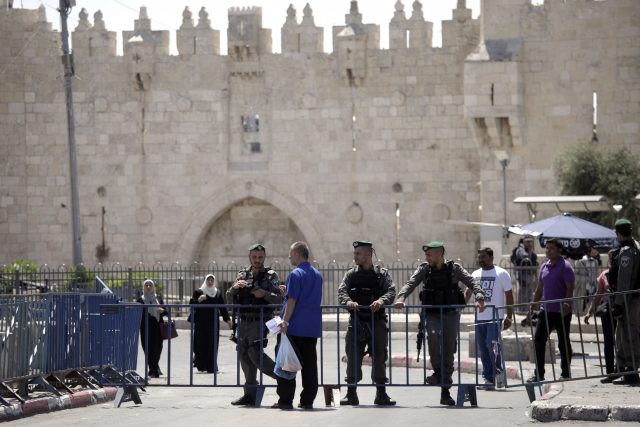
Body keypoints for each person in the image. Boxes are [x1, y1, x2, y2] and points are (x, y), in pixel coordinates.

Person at [394, 241, 485, 406]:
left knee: (449, 349)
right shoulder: (424, 269)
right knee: (434, 340)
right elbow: (410, 284)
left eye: (429, 254)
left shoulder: (454, 269)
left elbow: (473, 283)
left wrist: (479, 297)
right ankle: (437, 373)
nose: (426, 257)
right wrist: (401, 298)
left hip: (450, 315)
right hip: (432, 315)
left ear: (440, 253)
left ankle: (445, 390)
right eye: (426, 254)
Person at [338, 240, 397, 406]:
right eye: (355, 253)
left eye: (358, 253)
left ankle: (381, 394)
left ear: (369, 254)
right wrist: (348, 302)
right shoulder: (351, 275)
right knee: (352, 357)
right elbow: (341, 292)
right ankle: (351, 394)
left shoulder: (381, 274)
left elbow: (391, 291)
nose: (354, 256)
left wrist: (381, 300)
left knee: (379, 357)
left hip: (376, 322)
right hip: (356, 322)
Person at [227, 244, 282, 406]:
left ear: (264, 257)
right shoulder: (243, 274)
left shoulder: (271, 276)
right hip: (243, 321)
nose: (257, 260)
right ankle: (250, 394)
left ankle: (282, 378)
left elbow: (280, 299)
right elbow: (229, 298)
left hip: (261, 320)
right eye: (254, 257)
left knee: (255, 354)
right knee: (244, 355)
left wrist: (264, 294)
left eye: (260, 257)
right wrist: (233, 288)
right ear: (249, 257)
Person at [273, 242, 323, 410]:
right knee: (310, 365)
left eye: (291, 253)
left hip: (294, 327)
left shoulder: (295, 274)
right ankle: (307, 400)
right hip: (312, 328)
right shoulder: (317, 274)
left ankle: (285, 400)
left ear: (298, 254)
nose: (289, 257)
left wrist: (285, 321)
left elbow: (292, 300)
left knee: (287, 363)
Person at [528, 238, 576, 382]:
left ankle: (566, 372)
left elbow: (570, 288)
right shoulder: (544, 267)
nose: (548, 251)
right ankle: (539, 373)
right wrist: (534, 304)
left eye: (551, 248)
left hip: (561, 311)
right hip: (546, 310)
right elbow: (539, 288)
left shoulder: (566, 266)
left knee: (563, 342)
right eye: (547, 248)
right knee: (539, 340)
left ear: (559, 250)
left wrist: (567, 304)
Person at [471, 247, 514, 391]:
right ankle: (488, 378)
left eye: (483, 257)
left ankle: (498, 374)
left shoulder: (502, 273)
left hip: (495, 317)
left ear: (491, 257)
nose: (480, 260)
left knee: (492, 346)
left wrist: (509, 316)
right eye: (479, 257)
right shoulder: (475, 274)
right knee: (482, 348)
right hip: (479, 317)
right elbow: (467, 292)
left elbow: (509, 295)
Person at [609, 218, 640, 385]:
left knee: (630, 335)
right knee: (622, 335)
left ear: (617, 233)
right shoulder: (635, 247)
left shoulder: (627, 252)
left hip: (629, 299)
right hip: (630, 298)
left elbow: (624, 281)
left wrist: (618, 304)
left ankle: (631, 372)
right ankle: (622, 369)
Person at [583, 251, 617, 382]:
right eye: (611, 259)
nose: (612, 261)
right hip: (608, 311)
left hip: (622, 310)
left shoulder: (624, 273)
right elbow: (598, 295)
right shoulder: (604, 275)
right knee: (609, 342)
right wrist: (590, 312)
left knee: (623, 341)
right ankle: (610, 372)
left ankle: (625, 369)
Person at [190, 274, 232, 373]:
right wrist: (199, 300)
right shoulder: (199, 292)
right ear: (205, 280)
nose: (210, 282)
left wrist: (228, 320)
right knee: (201, 343)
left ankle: (211, 366)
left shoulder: (217, 293)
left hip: (213, 322)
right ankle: (201, 365)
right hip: (201, 322)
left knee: (212, 343)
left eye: (212, 280)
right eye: (208, 280)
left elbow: (222, 307)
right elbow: (192, 305)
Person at [137, 279, 166, 378]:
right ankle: (153, 370)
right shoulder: (140, 299)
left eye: (150, 285)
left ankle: (155, 367)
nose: (148, 287)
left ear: (153, 287)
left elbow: (166, 311)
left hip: (157, 326)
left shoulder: (158, 298)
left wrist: (162, 310)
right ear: (144, 287)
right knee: (148, 348)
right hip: (146, 327)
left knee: (158, 348)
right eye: (146, 285)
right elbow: (137, 313)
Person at [512, 236, 538, 309]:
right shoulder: (521, 250)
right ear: (524, 242)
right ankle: (522, 308)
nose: (529, 243)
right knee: (523, 291)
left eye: (530, 242)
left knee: (528, 291)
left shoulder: (530, 251)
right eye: (527, 242)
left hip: (529, 273)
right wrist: (530, 251)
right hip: (522, 274)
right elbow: (525, 258)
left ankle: (527, 307)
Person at [574, 246, 600, 314]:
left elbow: (597, 275)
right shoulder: (579, 262)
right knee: (581, 309)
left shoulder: (596, 262)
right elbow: (575, 276)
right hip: (583, 288)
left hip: (593, 287)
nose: (595, 251)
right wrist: (586, 279)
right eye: (593, 249)